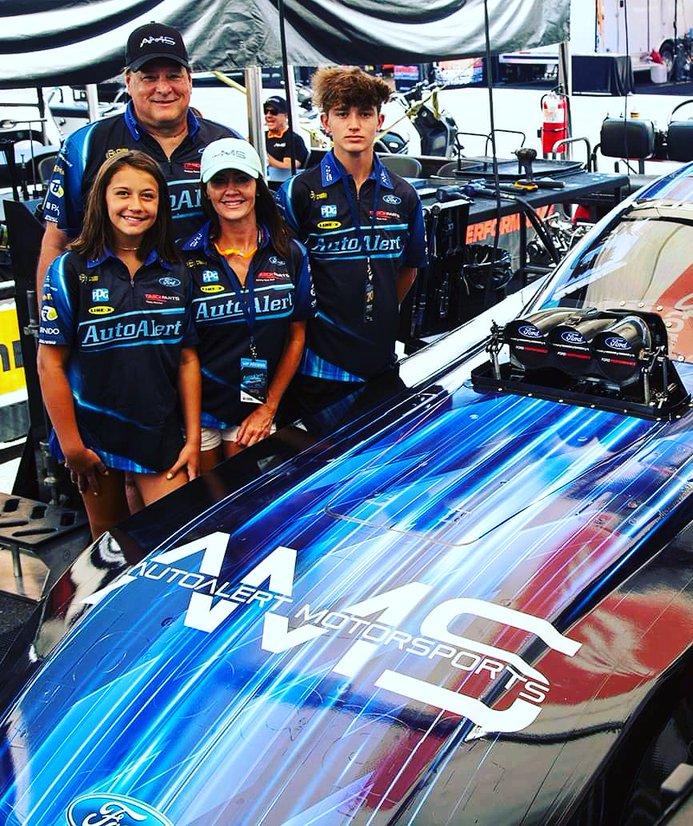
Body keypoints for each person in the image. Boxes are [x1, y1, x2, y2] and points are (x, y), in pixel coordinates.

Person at [37, 151, 200, 539]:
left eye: (148, 196)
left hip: (157, 429)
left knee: (178, 536)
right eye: (123, 193)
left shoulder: (175, 269)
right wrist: (73, 447)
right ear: (102, 199)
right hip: (92, 435)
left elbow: (187, 359)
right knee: (109, 540)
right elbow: (50, 365)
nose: (135, 206)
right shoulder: (69, 269)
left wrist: (192, 438)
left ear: (161, 204)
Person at [38, 22, 238, 296]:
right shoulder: (84, 146)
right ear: (128, 82)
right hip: (125, 317)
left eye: (173, 75)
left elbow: (257, 229)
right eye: (149, 77)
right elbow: (57, 241)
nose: (163, 88)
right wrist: (50, 326)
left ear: (189, 80)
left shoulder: (227, 141)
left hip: (214, 309)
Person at [276, 66, 428, 424]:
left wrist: (377, 310)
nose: (354, 124)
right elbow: (283, 278)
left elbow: (408, 270)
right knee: (320, 473)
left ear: (381, 119)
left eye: (364, 114)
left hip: (381, 363)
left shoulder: (404, 194)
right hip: (319, 371)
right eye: (343, 114)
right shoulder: (299, 191)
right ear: (326, 121)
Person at [181, 138, 315, 470]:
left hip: (255, 403)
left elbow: (297, 335)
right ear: (206, 190)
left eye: (241, 179)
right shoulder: (184, 258)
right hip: (198, 411)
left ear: (258, 184)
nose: (231, 190)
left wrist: (268, 407)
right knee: (206, 505)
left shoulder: (290, 252)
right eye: (219, 181)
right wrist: (192, 429)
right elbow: (183, 352)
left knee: (243, 502)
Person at [263, 95, 310, 173]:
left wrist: (265, 157)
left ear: (286, 115)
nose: (268, 115)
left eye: (273, 112)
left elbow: (288, 169)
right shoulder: (259, 137)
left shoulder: (294, 139)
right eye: (266, 111)